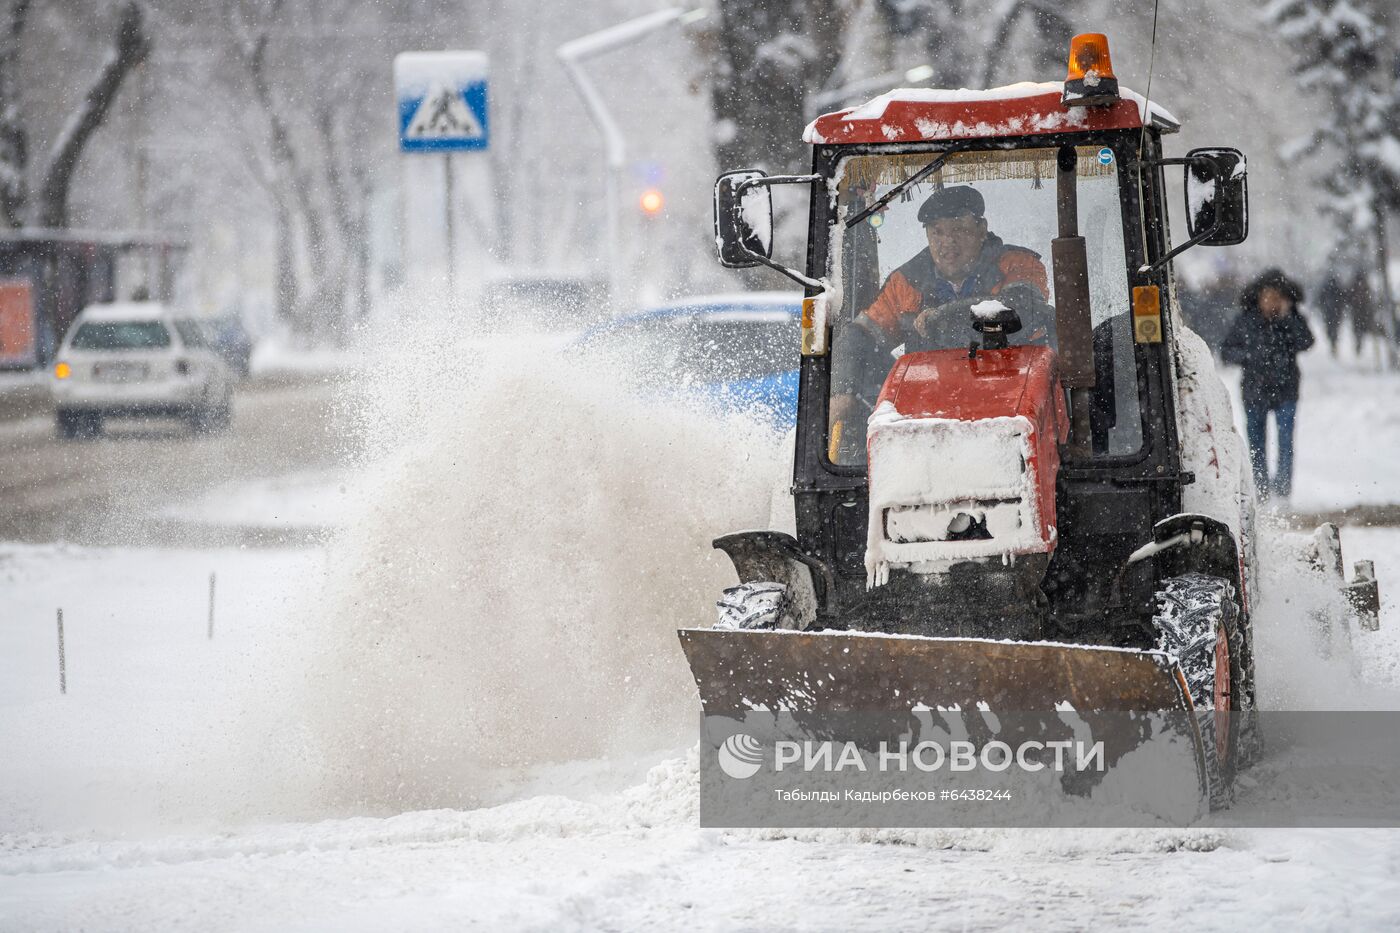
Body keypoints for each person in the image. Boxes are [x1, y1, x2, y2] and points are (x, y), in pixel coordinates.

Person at [830, 186, 1053, 438]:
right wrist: (843, 388)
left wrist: (943, 316)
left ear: (982, 229)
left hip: (1015, 402)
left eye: (958, 229)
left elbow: (1020, 309)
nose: (947, 242)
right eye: (937, 232)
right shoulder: (907, 282)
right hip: (928, 411)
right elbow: (862, 334)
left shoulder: (1018, 264)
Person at [1221, 269, 1315, 501]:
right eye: (1267, 297)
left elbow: (1307, 341)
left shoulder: (1291, 319)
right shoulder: (1245, 321)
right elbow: (1226, 352)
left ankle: (1283, 491)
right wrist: (1250, 356)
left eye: (1277, 297)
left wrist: (1289, 318)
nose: (1271, 302)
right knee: (1256, 445)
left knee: (1285, 442)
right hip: (1254, 392)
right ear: (1259, 297)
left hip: (1287, 391)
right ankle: (1261, 491)